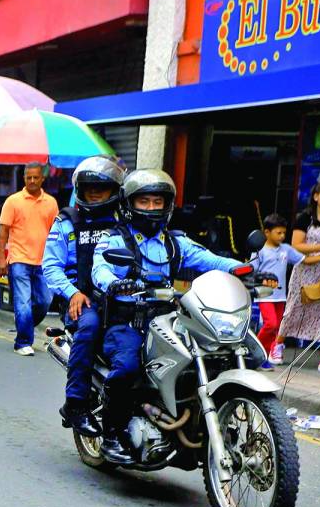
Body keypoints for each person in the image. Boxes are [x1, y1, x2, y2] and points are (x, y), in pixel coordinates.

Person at [91, 169, 245, 463]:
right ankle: (111, 435)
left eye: (157, 202)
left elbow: (210, 260)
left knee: (212, 356)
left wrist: (241, 269)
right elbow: (100, 268)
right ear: (129, 205)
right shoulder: (116, 240)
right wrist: (113, 283)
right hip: (129, 321)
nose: (151, 208)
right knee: (125, 367)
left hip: (169, 319)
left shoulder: (176, 243)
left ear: (167, 205)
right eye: (144, 202)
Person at [42, 156, 125, 436]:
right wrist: (72, 292)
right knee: (88, 328)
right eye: (90, 190)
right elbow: (50, 267)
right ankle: (76, 403)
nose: (94, 195)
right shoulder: (66, 222)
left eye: (100, 190)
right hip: (83, 301)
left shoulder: (122, 222)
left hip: (120, 299)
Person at [275, 182, 320, 372]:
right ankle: (278, 344)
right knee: (295, 309)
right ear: (316, 197)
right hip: (306, 271)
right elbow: (296, 245)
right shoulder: (304, 218)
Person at [0, 163, 60, 356]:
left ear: (42, 179)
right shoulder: (13, 201)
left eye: (35, 177)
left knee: (44, 302)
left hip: (43, 262)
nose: (32, 181)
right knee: (23, 302)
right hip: (19, 260)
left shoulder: (51, 203)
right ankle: (22, 342)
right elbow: (3, 231)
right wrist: (1, 257)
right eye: (28, 178)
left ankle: (24, 325)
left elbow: (55, 233)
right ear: (23, 179)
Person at [250, 214, 306, 369]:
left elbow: (304, 260)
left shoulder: (286, 249)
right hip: (264, 295)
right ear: (267, 232)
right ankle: (254, 353)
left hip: (281, 296)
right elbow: (252, 270)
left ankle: (262, 359)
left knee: (276, 328)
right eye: (278, 233)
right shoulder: (259, 250)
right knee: (271, 324)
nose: (282, 236)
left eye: (284, 233)